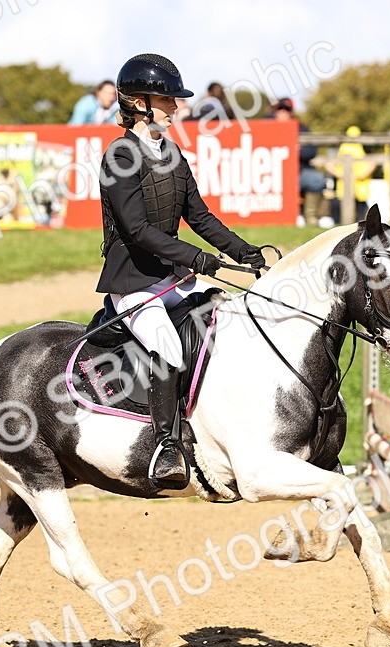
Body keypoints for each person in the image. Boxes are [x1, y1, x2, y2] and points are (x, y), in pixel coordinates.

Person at [97, 53, 266, 489]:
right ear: (138, 103)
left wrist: (245, 252)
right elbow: (135, 231)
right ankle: (167, 446)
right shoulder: (119, 156)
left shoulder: (170, 152)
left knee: (223, 316)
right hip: (133, 284)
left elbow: (201, 217)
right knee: (169, 347)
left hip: (168, 279)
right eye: (167, 100)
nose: (175, 108)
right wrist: (195, 259)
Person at [271, 98, 324, 225]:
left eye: (286, 110)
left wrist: (291, 151)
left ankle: (310, 218)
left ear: (291, 112)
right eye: (280, 109)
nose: (283, 113)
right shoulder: (266, 126)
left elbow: (311, 151)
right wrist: (291, 149)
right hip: (271, 174)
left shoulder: (302, 129)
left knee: (316, 180)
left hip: (298, 172)